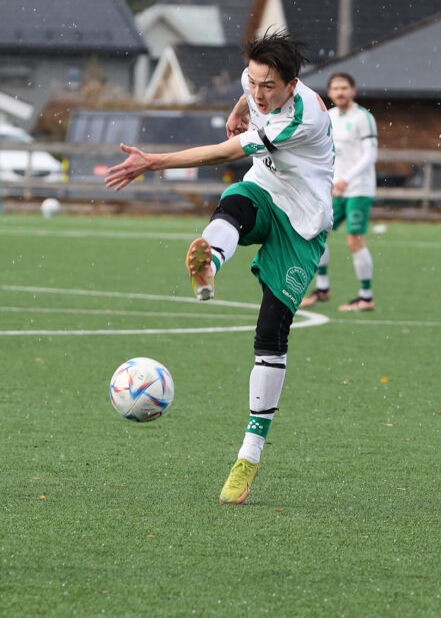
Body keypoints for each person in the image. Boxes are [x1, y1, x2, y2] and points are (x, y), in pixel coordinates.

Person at [105, 30, 334, 506]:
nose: (259, 92)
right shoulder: (258, 84)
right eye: (253, 82)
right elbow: (252, 91)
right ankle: (209, 261)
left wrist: (155, 162)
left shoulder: (301, 118)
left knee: (270, 332)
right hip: (266, 189)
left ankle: (249, 455)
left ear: (292, 85)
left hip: (303, 221)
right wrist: (239, 106)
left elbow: (226, 152)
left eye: (268, 87)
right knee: (235, 202)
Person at [301, 72, 378, 311]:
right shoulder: (328, 117)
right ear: (330, 92)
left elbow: (370, 154)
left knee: (354, 241)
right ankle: (322, 288)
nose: (340, 92)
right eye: (335, 89)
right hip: (333, 188)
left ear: (353, 91)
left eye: (344, 88)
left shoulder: (363, 117)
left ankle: (366, 296)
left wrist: (347, 179)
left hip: (358, 189)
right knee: (317, 233)